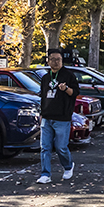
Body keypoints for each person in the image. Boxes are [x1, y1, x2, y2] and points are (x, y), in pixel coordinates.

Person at [37, 48, 78, 184]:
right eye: (53, 59)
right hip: (47, 117)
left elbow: (75, 93)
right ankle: (45, 174)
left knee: (61, 147)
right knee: (45, 147)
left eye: (58, 59)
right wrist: (42, 114)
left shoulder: (69, 75)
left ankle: (68, 166)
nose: (55, 62)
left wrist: (65, 89)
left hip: (62, 117)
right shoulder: (45, 78)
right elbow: (43, 97)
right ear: (48, 61)